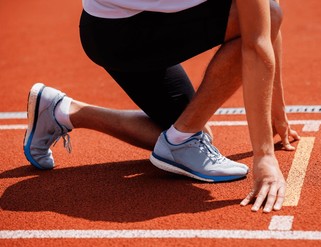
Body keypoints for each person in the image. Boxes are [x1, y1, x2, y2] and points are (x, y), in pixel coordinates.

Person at [23, 0, 300, 212]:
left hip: (108, 24)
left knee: (194, 128)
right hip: (123, 32)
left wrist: (277, 111)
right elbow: (259, 34)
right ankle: (181, 139)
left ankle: (60, 111)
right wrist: (264, 157)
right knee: (188, 132)